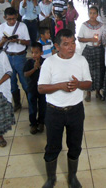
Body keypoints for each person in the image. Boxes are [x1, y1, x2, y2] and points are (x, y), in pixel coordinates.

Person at [38, 29, 92, 188]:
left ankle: (72, 176)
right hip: (54, 111)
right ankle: (51, 178)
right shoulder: (49, 62)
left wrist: (78, 85)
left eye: (73, 43)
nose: (71, 47)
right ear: (57, 46)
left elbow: (88, 83)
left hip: (75, 110)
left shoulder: (81, 60)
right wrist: (60, 86)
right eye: (66, 44)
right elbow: (41, 88)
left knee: (75, 145)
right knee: (53, 146)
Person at [0, 7, 31, 112]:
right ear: (4, 18)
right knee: (11, 82)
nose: (11, 21)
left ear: (16, 16)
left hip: (20, 56)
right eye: (9, 19)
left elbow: (28, 42)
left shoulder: (22, 26)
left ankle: (31, 102)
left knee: (25, 81)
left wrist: (18, 41)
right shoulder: (1, 27)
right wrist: (3, 41)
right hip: (7, 57)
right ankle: (17, 103)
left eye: (13, 19)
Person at [77, 6, 105, 102]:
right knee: (88, 71)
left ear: (97, 14)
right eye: (91, 13)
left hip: (98, 50)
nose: (92, 15)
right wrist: (91, 39)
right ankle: (88, 93)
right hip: (88, 50)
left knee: (98, 71)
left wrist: (100, 41)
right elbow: (80, 38)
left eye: (94, 13)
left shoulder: (101, 25)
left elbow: (103, 38)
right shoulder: (84, 25)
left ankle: (97, 92)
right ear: (88, 14)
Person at [23, 42, 47, 135]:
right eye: (32, 52)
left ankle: (41, 122)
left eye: (36, 53)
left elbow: (48, 74)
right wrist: (34, 68)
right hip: (32, 89)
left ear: (41, 53)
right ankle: (33, 124)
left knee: (42, 107)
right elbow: (25, 74)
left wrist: (40, 67)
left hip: (42, 89)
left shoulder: (45, 62)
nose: (34, 55)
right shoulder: (29, 62)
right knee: (32, 108)